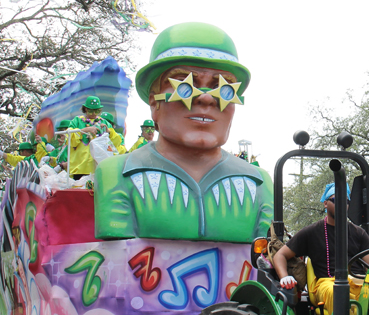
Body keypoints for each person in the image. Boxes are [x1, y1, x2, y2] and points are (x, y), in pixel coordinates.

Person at [94, 23, 273, 242]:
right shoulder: (117, 174)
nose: (206, 98)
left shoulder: (259, 183)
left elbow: (267, 261)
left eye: (224, 89)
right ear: (154, 101)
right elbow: (117, 264)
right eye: (185, 86)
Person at [273, 182, 369, 315]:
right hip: (327, 284)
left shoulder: (359, 233)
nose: (341, 204)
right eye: (335, 200)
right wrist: (284, 277)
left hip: (357, 282)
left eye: (345, 201)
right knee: (339, 293)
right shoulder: (312, 232)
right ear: (325, 203)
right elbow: (280, 255)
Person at [68, 96, 110, 179]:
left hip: (99, 167)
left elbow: (115, 142)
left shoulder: (104, 122)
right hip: (80, 167)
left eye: (97, 111)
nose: (94, 114)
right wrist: (85, 130)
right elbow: (69, 138)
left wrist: (108, 131)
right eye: (91, 111)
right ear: (86, 109)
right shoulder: (77, 121)